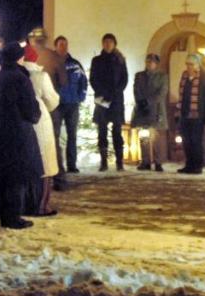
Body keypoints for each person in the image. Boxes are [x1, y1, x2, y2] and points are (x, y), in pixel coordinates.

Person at [0, 42, 42, 229]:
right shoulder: (20, 78)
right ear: (20, 57)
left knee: (3, 176)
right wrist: (35, 114)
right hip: (17, 134)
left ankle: (5, 215)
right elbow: (31, 110)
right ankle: (13, 217)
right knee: (16, 177)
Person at [23, 43, 61, 215]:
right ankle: (41, 205)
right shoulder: (40, 76)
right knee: (45, 163)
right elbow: (52, 100)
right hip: (40, 121)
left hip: (23, 122)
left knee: (28, 162)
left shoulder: (17, 74)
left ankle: (25, 203)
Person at [90, 33, 128, 171]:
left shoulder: (120, 60)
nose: (108, 44)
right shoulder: (97, 60)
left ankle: (119, 161)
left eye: (110, 42)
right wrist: (102, 93)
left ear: (114, 44)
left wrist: (115, 93)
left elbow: (124, 79)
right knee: (102, 129)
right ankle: (103, 162)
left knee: (117, 130)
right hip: (101, 98)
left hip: (117, 99)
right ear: (102, 44)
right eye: (105, 42)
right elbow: (93, 79)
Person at [53, 35, 87, 174]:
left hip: (72, 103)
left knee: (72, 135)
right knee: (54, 135)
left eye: (65, 44)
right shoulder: (52, 63)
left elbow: (83, 81)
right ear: (55, 46)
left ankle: (71, 165)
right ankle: (56, 165)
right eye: (61, 44)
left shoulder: (75, 64)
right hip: (56, 105)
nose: (63, 47)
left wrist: (81, 97)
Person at [177, 53, 205, 174]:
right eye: (187, 64)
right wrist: (178, 112)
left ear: (197, 64)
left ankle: (197, 166)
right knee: (186, 140)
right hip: (185, 113)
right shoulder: (184, 75)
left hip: (198, 114)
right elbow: (181, 94)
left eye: (191, 64)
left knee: (196, 141)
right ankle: (189, 164)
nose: (188, 67)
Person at [130, 53, 169, 172]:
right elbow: (136, 89)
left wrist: (149, 101)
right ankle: (145, 161)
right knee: (144, 136)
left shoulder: (162, 76)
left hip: (156, 109)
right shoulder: (139, 75)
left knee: (157, 137)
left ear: (156, 64)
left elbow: (162, 92)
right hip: (142, 109)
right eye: (147, 61)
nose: (149, 64)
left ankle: (158, 162)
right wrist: (141, 101)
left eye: (152, 62)